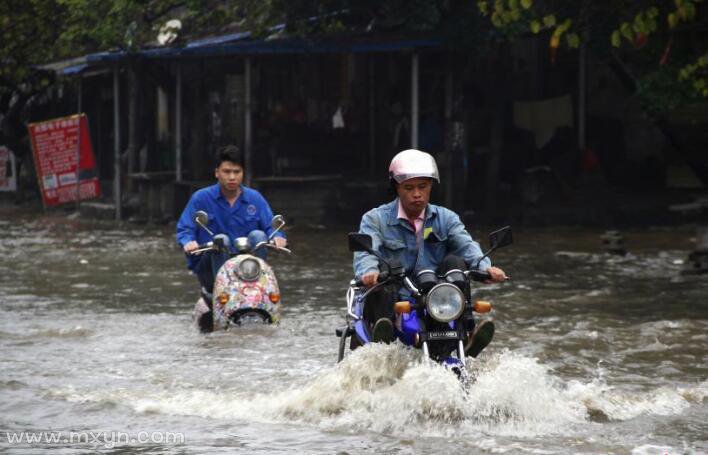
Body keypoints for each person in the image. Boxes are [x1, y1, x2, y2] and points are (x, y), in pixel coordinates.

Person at [353, 149, 507, 357]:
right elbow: (366, 252)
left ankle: (466, 331)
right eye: (409, 188)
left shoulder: (446, 218)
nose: (416, 194)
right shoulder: (375, 219)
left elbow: (467, 245)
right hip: (395, 297)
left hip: (436, 297)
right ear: (396, 188)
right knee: (385, 265)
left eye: (422, 187)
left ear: (431, 186)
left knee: (456, 262)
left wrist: (486, 268)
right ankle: (384, 336)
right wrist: (369, 272)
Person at [176, 145, 287, 297]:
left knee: (258, 235)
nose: (232, 177)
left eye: (237, 172)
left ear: (243, 173)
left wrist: (278, 237)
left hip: (247, 268)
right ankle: (223, 293)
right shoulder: (200, 198)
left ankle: (258, 289)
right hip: (211, 268)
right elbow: (185, 229)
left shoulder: (255, 198)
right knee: (221, 240)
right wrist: (188, 242)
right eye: (227, 172)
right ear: (217, 173)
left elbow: (270, 226)